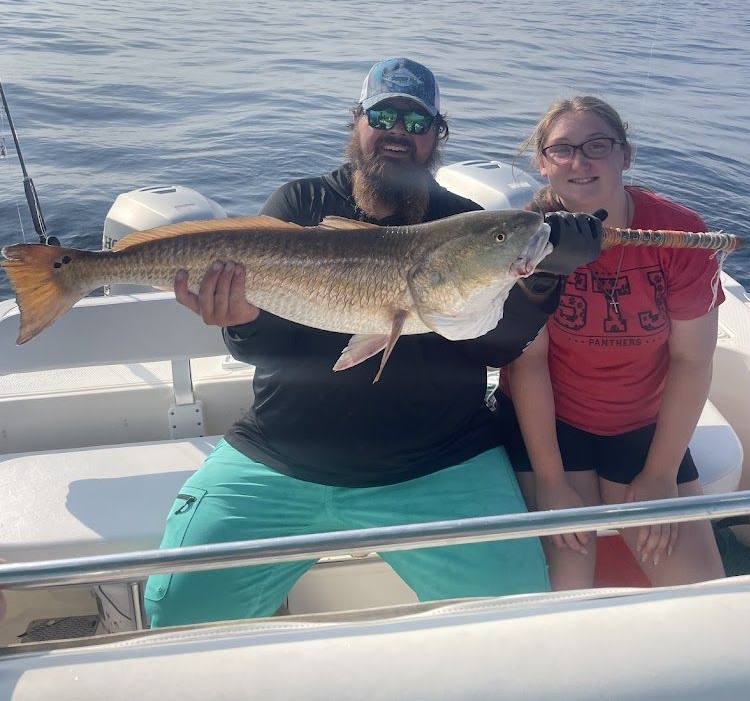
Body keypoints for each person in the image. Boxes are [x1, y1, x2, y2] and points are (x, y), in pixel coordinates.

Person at [144, 58, 604, 627]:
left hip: (439, 465)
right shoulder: (299, 207)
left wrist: (540, 278)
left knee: (514, 619)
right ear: (356, 121)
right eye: (383, 115)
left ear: (438, 135)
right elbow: (258, 349)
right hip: (283, 455)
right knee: (176, 612)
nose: (398, 133)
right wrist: (239, 320)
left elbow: (494, 347)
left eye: (417, 123)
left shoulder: (466, 225)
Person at [497, 95, 725, 590]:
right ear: (543, 163)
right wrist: (553, 482)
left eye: (597, 145)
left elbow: (691, 360)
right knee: (564, 589)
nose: (580, 161)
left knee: (702, 595)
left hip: (642, 424)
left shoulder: (681, 235)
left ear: (626, 154)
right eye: (562, 149)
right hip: (552, 424)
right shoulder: (524, 239)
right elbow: (529, 365)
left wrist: (662, 474)